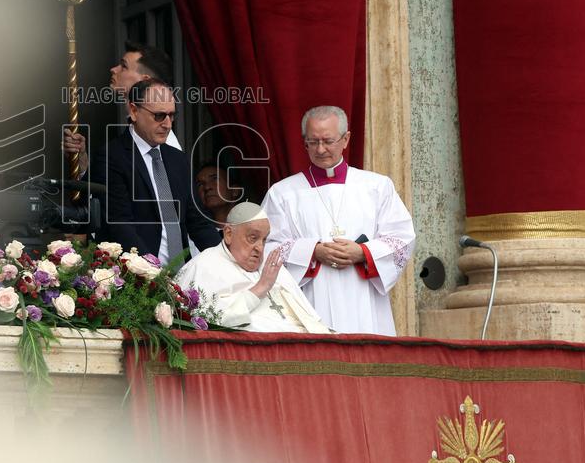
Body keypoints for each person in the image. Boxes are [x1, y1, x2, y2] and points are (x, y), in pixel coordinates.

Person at [261, 105, 416, 335]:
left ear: (346, 139)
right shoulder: (282, 193)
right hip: (310, 302)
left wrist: (363, 252)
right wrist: (312, 251)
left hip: (365, 302)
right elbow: (265, 247)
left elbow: (403, 238)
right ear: (304, 142)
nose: (321, 149)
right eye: (313, 142)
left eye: (328, 141)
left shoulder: (376, 186)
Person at [104, 79, 220, 263]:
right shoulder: (112, 157)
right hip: (139, 278)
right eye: (159, 115)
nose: (167, 124)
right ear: (134, 111)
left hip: (182, 276)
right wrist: (152, 272)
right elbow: (120, 225)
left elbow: (197, 222)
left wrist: (228, 263)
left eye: (171, 115)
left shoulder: (178, 159)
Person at [176, 202, 330, 333]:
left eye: (264, 240)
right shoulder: (204, 265)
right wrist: (261, 288)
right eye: (253, 238)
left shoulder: (271, 266)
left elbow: (309, 318)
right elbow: (207, 319)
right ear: (228, 234)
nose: (260, 248)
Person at [62, 42, 179, 175]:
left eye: (124, 66)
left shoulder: (162, 144)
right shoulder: (132, 131)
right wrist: (82, 165)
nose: (114, 69)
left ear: (144, 80)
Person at [194, 162, 239, 227]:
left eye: (214, 179)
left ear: (234, 190)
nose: (207, 187)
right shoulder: (190, 235)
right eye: (200, 184)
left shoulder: (255, 228)